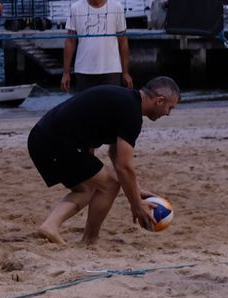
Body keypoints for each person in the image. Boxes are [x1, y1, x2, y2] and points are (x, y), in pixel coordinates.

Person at [29, 76, 181, 245]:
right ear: (159, 101)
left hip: (42, 138)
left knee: (88, 188)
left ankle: (51, 226)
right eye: (170, 108)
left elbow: (114, 154)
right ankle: (89, 240)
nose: (168, 113)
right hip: (55, 143)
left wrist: (136, 190)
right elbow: (124, 166)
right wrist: (136, 204)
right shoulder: (131, 112)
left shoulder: (126, 101)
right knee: (110, 184)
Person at [61, 0, 132, 92]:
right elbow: (70, 42)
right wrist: (66, 73)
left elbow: (123, 41)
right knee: (86, 110)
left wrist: (125, 72)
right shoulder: (76, 8)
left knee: (110, 109)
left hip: (111, 70)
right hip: (84, 70)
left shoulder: (117, 7)